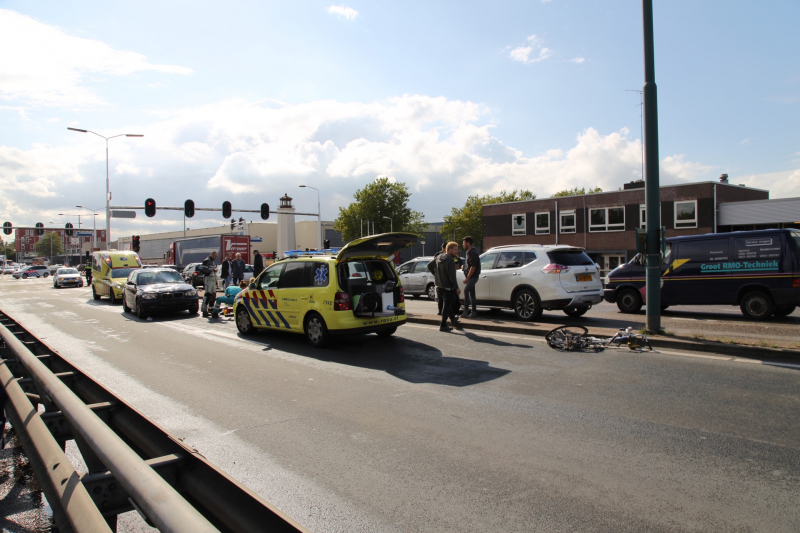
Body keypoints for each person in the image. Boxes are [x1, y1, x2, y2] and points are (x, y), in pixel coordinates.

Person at [435, 242, 461, 332]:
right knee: (446, 306)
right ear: (449, 249)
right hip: (447, 287)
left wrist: (437, 276)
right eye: (455, 249)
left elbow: (429, 266)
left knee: (447, 304)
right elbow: (452, 276)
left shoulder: (439, 257)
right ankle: (443, 325)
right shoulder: (450, 260)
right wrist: (457, 287)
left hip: (439, 286)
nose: (456, 252)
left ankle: (453, 320)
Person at [461, 236, 481, 319]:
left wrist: (467, 278)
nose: (463, 244)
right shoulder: (468, 252)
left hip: (473, 276)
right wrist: (464, 267)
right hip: (470, 276)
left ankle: (466, 311)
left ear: (468, 243)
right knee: (472, 294)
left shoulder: (473, 253)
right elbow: (469, 265)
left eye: (464, 243)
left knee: (466, 290)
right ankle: (474, 312)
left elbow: (473, 267)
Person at [428, 242, 447, 316]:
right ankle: (441, 311)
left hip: (441, 279)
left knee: (443, 297)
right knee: (441, 297)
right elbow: (430, 265)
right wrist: (435, 274)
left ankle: (444, 312)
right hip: (441, 280)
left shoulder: (451, 256)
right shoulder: (438, 255)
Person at [200, 250, 219, 317]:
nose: (216, 257)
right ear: (212, 255)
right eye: (215, 256)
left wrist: (216, 280)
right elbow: (204, 270)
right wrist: (212, 270)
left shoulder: (213, 262)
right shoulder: (206, 261)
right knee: (207, 294)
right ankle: (204, 310)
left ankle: (211, 308)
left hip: (213, 280)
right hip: (208, 280)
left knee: (213, 295)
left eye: (216, 256)